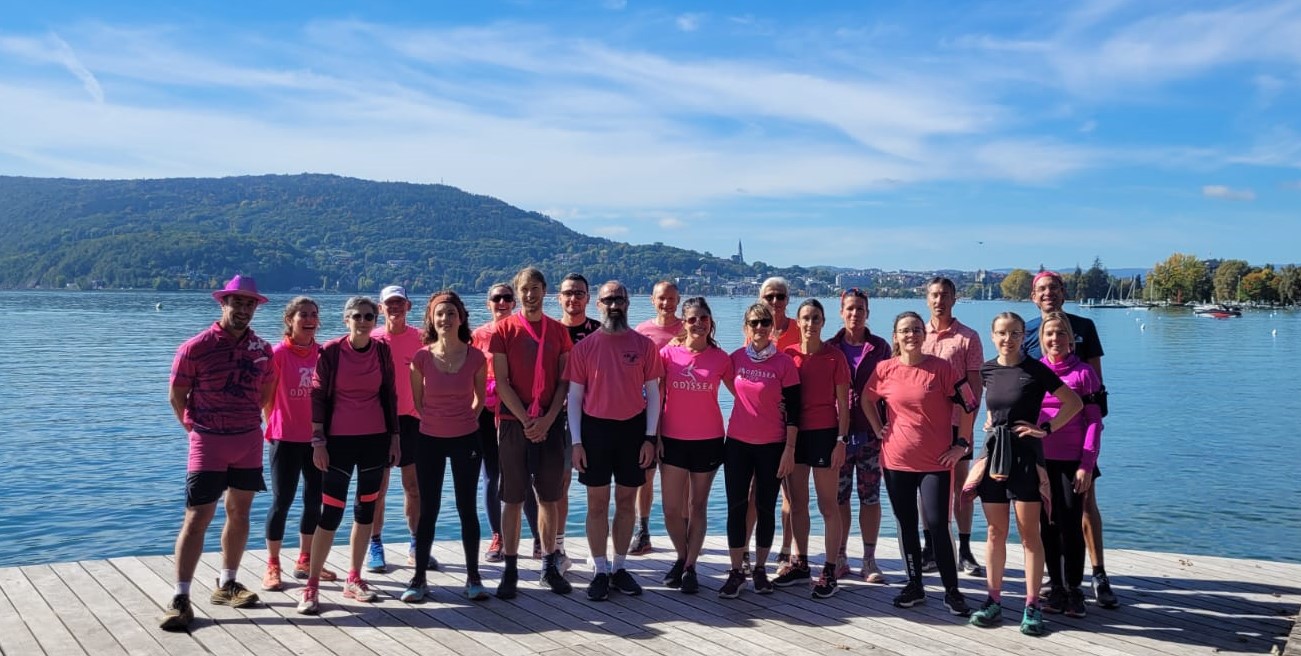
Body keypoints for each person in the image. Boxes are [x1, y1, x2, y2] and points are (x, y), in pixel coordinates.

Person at [161, 275, 275, 631]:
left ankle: (227, 583)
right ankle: (181, 596)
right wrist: (194, 429)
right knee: (197, 517)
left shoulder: (262, 349)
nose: (243, 309)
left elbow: (266, 393)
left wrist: (247, 421)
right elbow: (176, 396)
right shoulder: (195, 347)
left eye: (249, 303)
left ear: (255, 307)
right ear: (223, 303)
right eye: (236, 302)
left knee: (239, 513)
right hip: (207, 440)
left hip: (247, 440)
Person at [966, 312, 1082, 636]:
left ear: (1022, 336)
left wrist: (1046, 428)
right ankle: (993, 600)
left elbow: (1073, 403)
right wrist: (989, 419)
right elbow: (989, 405)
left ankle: (1032, 606)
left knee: (1030, 534)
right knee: (995, 532)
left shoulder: (1036, 369)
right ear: (993, 336)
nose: (1008, 339)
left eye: (1015, 333)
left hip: (1026, 459)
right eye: (1002, 333)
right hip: (994, 457)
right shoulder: (986, 370)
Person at [863, 311, 974, 617]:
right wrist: (878, 428)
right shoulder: (884, 369)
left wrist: (961, 445)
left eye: (916, 329)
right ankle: (915, 585)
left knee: (938, 525)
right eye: (904, 330)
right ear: (895, 337)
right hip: (896, 461)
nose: (911, 335)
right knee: (907, 524)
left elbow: (969, 403)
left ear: (924, 335)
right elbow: (866, 399)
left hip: (936, 462)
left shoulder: (943, 369)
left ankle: (952, 591)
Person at [297, 296, 401, 615]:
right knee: (331, 512)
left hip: (374, 440)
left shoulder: (381, 351)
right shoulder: (331, 351)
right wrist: (318, 441)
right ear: (346, 320)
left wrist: (395, 438)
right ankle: (312, 584)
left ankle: (354, 578)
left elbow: (390, 395)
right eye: (357, 316)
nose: (364, 321)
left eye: (369, 316)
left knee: (365, 510)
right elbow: (317, 396)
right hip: (338, 443)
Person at [1022, 270, 1117, 609]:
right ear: (1033, 296)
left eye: (1054, 288)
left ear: (1063, 292)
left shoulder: (1084, 328)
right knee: (1048, 517)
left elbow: (1095, 394)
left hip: (1078, 442)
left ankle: (1097, 574)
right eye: (1041, 289)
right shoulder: (1027, 331)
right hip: (1040, 445)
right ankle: (1057, 581)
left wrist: (1088, 453)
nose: (1048, 293)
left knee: (1083, 506)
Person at [567, 281, 664, 601]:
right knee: (596, 504)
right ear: (598, 304)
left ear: (627, 303)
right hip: (594, 431)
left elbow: (653, 394)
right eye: (607, 300)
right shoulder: (585, 347)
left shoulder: (644, 345)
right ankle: (599, 569)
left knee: (625, 501)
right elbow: (575, 397)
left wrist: (650, 437)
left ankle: (619, 567)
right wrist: (576, 443)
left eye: (619, 300)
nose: (613, 305)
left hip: (632, 431)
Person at [489, 267, 572, 599]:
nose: (529, 294)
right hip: (514, 423)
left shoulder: (558, 331)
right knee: (512, 498)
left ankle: (549, 565)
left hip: (550, 424)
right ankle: (510, 569)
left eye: (535, 288)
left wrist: (548, 420)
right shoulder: (504, 330)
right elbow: (502, 381)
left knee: (549, 498)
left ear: (544, 290)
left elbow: (564, 381)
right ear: (517, 292)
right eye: (524, 289)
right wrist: (526, 420)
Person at [403, 291, 490, 602]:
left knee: (467, 508)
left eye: (451, 313)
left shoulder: (476, 357)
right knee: (429, 509)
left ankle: (474, 577)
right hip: (429, 439)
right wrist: (437, 421)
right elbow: (418, 403)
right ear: (431, 319)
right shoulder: (421, 358)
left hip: (466, 438)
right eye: (439, 314)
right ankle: (419, 579)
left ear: (461, 318)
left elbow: (480, 400)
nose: (445, 319)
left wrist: (463, 420)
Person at [719, 303, 800, 599]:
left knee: (765, 507)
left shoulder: (784, 363)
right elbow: (722, 376)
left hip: (772, 445)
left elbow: (794, 411)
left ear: (772, 327)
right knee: (737, 507)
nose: (760, 328)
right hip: (737, 443)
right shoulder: (736, 358)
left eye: (765, 322)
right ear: (746, 327)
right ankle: (736, 571)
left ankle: (761, 568)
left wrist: (789, 449)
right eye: (754, 323)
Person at [657, 297, 735, 594]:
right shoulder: (668, 354)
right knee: (671, 509)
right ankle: (681, 555)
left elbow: (744, 393)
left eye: (704, 318)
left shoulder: (721, 359)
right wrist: (655, 436)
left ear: (711, 322)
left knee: (697, 506)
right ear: (684, 322)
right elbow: (656, 397)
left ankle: (689, 566)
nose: (698, 324)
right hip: (672, 440)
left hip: (708, 440)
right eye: (692, 319)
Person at [261, 296, 338, 591]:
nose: (309, 320)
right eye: (302, 314)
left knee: (314, 500)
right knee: (282, 500)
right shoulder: (277, 354)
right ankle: (273, 564)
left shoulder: (324, 354)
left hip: (317, 441)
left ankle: (305, 559)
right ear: (289, 320)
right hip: (285, 438)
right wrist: (275, 425)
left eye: (313, 314)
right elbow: (267, 398)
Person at [775, 299, 850, 598]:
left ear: (823, 322)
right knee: (797, 503)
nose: (810, 324)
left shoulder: (835, 357)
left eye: (815, 318)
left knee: (828, 505)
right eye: (805, 318)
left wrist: (841, 442)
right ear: (798, 321)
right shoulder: (788, 355)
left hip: (824, 435)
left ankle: (830, 570)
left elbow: (843, 404)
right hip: (794, 435)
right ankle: (801, 563)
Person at [1036, 311, 1103, 619]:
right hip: (1041, 461)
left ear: (1071, 339)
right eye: (1049, 334)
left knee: (1071, 526)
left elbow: (1094, 422)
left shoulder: (1084, 374)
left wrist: (1086, 465)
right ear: (1042, 339)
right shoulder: (1036, 371)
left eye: (1061, 333)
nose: (1055, 339)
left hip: (1072, 462)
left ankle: (1075, 589)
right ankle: (1056, 587)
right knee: (1048, 526)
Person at [920, 277, 986, 577]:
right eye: (934, 295)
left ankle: (965, 549)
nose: (939, 300)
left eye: (945, 295)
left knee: (961, 487)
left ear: (954, 299)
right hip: (924, 426)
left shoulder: (968, 338)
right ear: (927, 299)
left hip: (958, 424)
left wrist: (967, 432)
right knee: (926, 488)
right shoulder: (917, 334)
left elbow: (975, 389)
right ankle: (930, 547)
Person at [826, 288, 891, 584]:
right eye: (850, 308)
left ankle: (868, 559)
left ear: (867, 313)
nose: (855, 314)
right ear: (841, 312)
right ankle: (840, 556)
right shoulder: (830, 347)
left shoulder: (880, 348)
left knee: (870, 497)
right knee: (839, 497)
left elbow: (891, 389)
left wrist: (888, 428)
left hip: (870, 435)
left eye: (860, 309)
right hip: (837, 435)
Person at [369, 285, 428, 572]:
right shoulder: (371, 338)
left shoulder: (421, 338)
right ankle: (375, 544)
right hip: (378, 421)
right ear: (380, 308)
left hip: (412, 420)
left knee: (413, 487)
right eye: (389, 304)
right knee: (378, 489)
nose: (395, 308)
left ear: (408, 306)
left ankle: (416, 544)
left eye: (399, 303)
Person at [553, 273, 602, 573]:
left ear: (588, 297)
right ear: (559, 297)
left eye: (579, 293)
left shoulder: (600, 332)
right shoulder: (549, 331)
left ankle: (597, 550)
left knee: (596, 487)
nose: (573, 298)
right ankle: (558, 548)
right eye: (568, 293)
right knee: (559, 484)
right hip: (558, 417)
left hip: (594, 418)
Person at [631, 279, 682, 555]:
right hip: (647, 413)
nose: (666, 303)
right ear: (652, 300)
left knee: (679, 479)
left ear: (678, 300)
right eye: (661, 298)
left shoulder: (688, 329)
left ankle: (684, 532)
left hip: (678, 414)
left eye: (671, 298)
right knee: (645, 475)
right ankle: (643, 531)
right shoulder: (642, 332)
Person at [758, 276, 801, 571]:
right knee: (755, 491)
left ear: (788, 299)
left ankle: (786, 550)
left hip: (794, 422)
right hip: (762, 423)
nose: (775, 302)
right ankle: (749, 551)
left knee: (791, 491)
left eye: (780, 296)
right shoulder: (756, 329)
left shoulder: (799, 328)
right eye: (769, 296)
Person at [473, 283, 516, 563]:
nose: (502, 302)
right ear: (488, 303)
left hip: (515, 409)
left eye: (507, 298)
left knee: (523, 475)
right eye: (496, 298)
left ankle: (540, 539)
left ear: (514, 303)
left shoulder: (521, 332)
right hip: (485, 412)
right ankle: (497, 536)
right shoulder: (478, 335)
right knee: (490, 475)